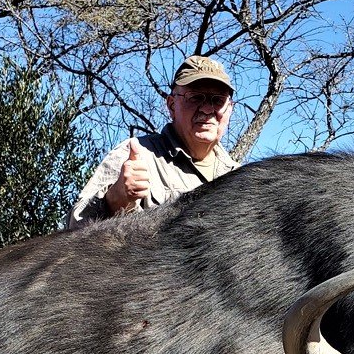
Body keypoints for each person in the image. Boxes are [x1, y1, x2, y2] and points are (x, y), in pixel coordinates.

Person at [68, 55, 239, 227]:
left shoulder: (239, 177)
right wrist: (114, 200)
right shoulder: (135, 155)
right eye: (195, 97)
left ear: (230, 109)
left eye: (218, 100)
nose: (207, 109)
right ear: (172, 105)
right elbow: (74, 229)